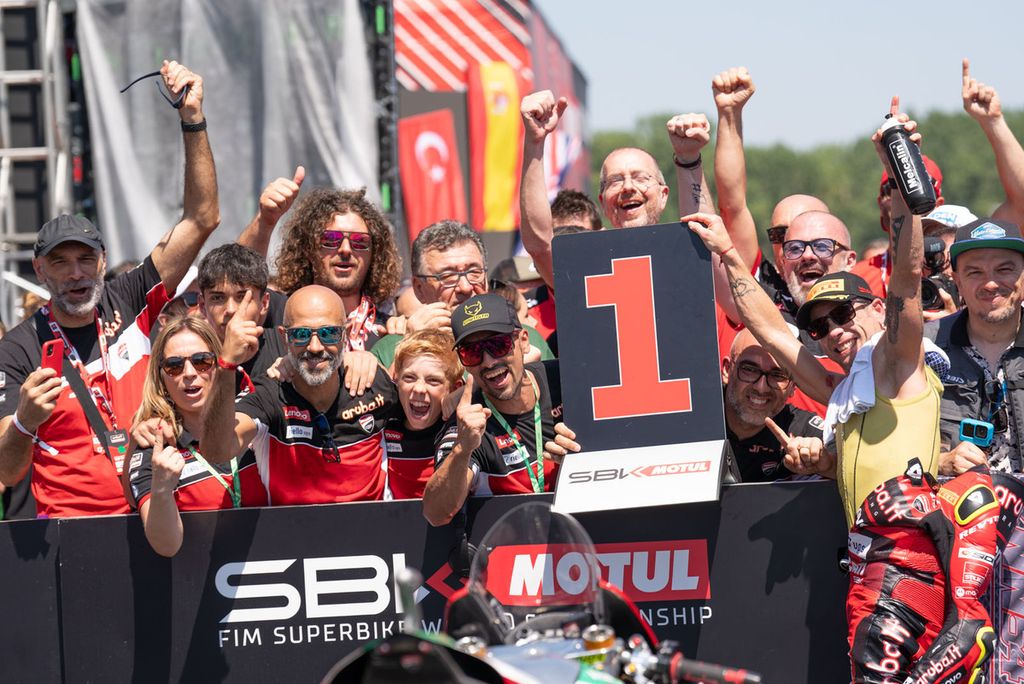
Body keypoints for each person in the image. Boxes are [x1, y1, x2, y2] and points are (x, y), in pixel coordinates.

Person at [691, 103, 947, 681]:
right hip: (865, 559)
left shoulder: (898, 359)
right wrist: (728, 253)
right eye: (821, 325)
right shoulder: (841, 384)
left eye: (843, 314)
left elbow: (907, 282)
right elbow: (770, 329)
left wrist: (902, 179)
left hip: (912, 560)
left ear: (874, 307)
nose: (833, 331)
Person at [0, 60, 219, 518]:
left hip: (155, 515)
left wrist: (192, 118)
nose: (76, 274)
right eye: (60, 263)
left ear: (102, 261)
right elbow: (6, 470)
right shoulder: (19, 348)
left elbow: (201, 219)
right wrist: (23, 422)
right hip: (70, 533)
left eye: (85, 260)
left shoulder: (130, 297)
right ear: (39, 271)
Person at [200, 285, 400, 505]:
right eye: (301, 335)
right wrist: (226, 365)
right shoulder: (269, 393)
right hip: (291, 527)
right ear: (284, 337)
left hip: (375, 526)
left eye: (328, 333)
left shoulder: (372, 381)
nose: (315, 347)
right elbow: (216, 451)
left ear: (345, 334)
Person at [517, 89, 713, 288]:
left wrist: (689, 159)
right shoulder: (587, 263)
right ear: (603, 202)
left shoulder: (685, 255)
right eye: (615, 181)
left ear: (663, 196)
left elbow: (706, 238)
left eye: (640, 178)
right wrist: (535, 141)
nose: (627, 187)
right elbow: (540, 247)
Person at [423, 294, 573, 526]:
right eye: (472, 352)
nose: (488, 361)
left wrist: (582, 459)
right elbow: (436, 513)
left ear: (523, 341)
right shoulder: (468, 423)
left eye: (498, 345)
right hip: (517, 539)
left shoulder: (565, 381)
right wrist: (462, 449)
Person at [126, 316, 266, 557]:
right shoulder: (154, 443)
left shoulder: (253, 417)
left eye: (202, 361)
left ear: (219, 364)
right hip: (200, 576)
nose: (189, 373)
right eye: (174, 366)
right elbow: (166, 545)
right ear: (161, 377)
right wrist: (161, 489)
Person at [370, 221, 553, 368]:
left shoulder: (522, 338)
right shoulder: (391, 349)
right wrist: (411, 348)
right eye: (448, 276)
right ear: (419, 288)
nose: (465, 287)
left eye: (474, 272)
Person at [927, 217, 1024, 476]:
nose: (990, 283)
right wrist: (940, 462)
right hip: (951, 498)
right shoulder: (923, 348)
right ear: (957, 281)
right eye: (975, 272)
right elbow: (893, 445)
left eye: (1004, 269)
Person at [273, 187, 402, 351]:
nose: (345, 249)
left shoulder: (390, 333)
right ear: (308, 249)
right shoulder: (280, 316)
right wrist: (264, 221)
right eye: (331, 239)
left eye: (359, 241)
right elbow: (245, 278)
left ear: (374, 254)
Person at [722, 329, 823, 483]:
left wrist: (826, 463)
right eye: (749, 369)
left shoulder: (803, 432)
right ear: (727, 370)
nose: (761, 388)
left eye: (778, 375)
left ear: (793, 386)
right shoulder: (693, 414)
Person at [385, 329, 463, 500]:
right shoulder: (382, 418)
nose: (419, 389)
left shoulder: (462, 425)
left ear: (454, 388)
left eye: (433, 380)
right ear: (396, 380)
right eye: (409, 378)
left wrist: (466, 391)